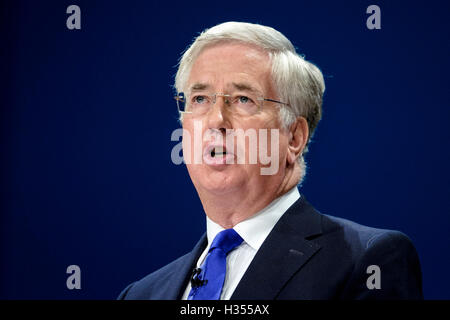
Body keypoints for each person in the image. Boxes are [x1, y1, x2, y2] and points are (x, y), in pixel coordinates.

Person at [118, 22, 423, 300]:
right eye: (199, 99)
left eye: (243, 100)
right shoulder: (140, 295)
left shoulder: (367, 261)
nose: (216, 120)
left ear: (294, 138)